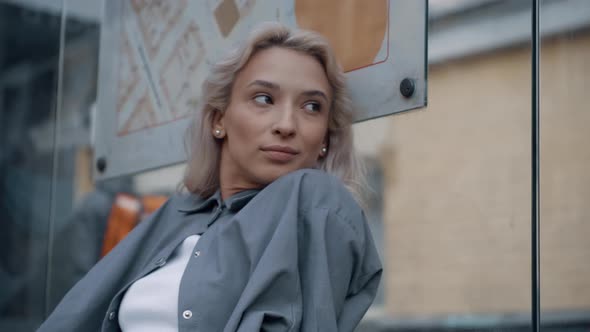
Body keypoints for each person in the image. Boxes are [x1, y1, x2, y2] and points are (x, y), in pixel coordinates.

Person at [38, 22, 382, 332]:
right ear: (219, 119)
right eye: (264, 99)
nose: (287, 125)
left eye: (312, 107)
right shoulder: (174, 216)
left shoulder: (317, 201)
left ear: (325, 138)